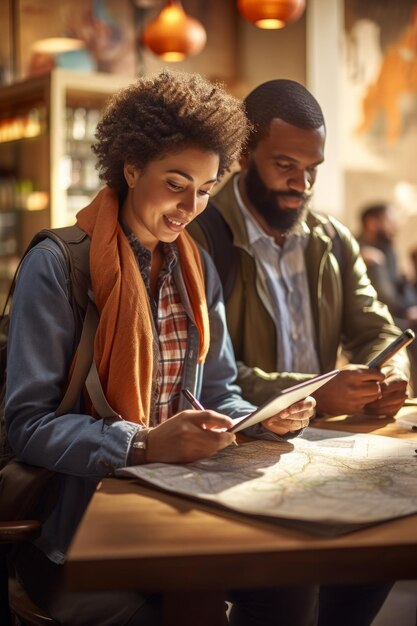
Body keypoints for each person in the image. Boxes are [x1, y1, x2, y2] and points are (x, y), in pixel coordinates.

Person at [4, 70, 318, 626]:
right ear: (131, 167)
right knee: (191, 608)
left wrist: (266, 419)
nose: (190, 207)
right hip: (80, 533)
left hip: (179, 505)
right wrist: (143, 444)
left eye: (205, 189)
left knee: (292, 589)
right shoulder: (56, 265)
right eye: (176, 184)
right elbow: (26, 426)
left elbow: (219, 392)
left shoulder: (195, 267)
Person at [188, 78, 409, 420]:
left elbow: (377, 331)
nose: (302, 185)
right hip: (238, 444)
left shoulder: (333, 239)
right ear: (243, 154)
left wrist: (392, 371)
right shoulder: (198, 238)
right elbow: (206, 377)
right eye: (285, 165)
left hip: (322, 442)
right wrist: (316, 391)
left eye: (312, 169)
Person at [358, 202, 417, 392]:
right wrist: (409, 311)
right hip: (379, 317)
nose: (395, 226)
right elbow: (387, 300)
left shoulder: (388, 250)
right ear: (372, 222)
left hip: (399, 310)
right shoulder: (363, 252)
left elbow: (398, 285)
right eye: (390, 221)